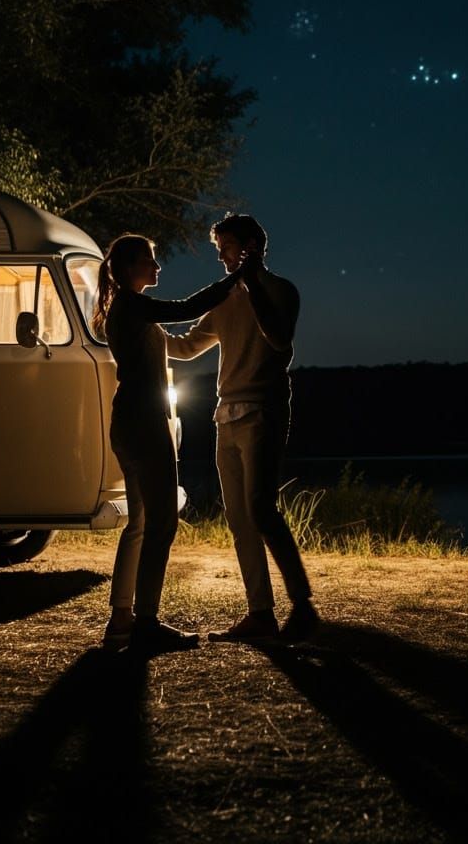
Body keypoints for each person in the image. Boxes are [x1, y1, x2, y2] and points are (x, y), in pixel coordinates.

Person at [168, 214, 319, 642]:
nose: (221, 256)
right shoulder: (222, 300)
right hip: (225, 416)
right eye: (220, 248)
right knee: (239, 518)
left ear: (252, 245)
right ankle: (261, 614)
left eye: (228, 246)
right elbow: (185, 346)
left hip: (263, 412)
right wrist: (140, 331)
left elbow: (278, 339)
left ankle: (303, 606)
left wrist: (251, 283)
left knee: (261, 509)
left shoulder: (280, 291)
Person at [93, 233, 240, 653]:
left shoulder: (126, 306)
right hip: (144, 424)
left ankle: (121, 618)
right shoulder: (133, 303)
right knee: (162, 524)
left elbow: (177, 335)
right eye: (151, 261)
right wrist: (234, 280)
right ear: (129, 266)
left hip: (128, 421)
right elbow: (188, 309)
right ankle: (146, 623)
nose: (158, 268)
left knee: (139, 524)